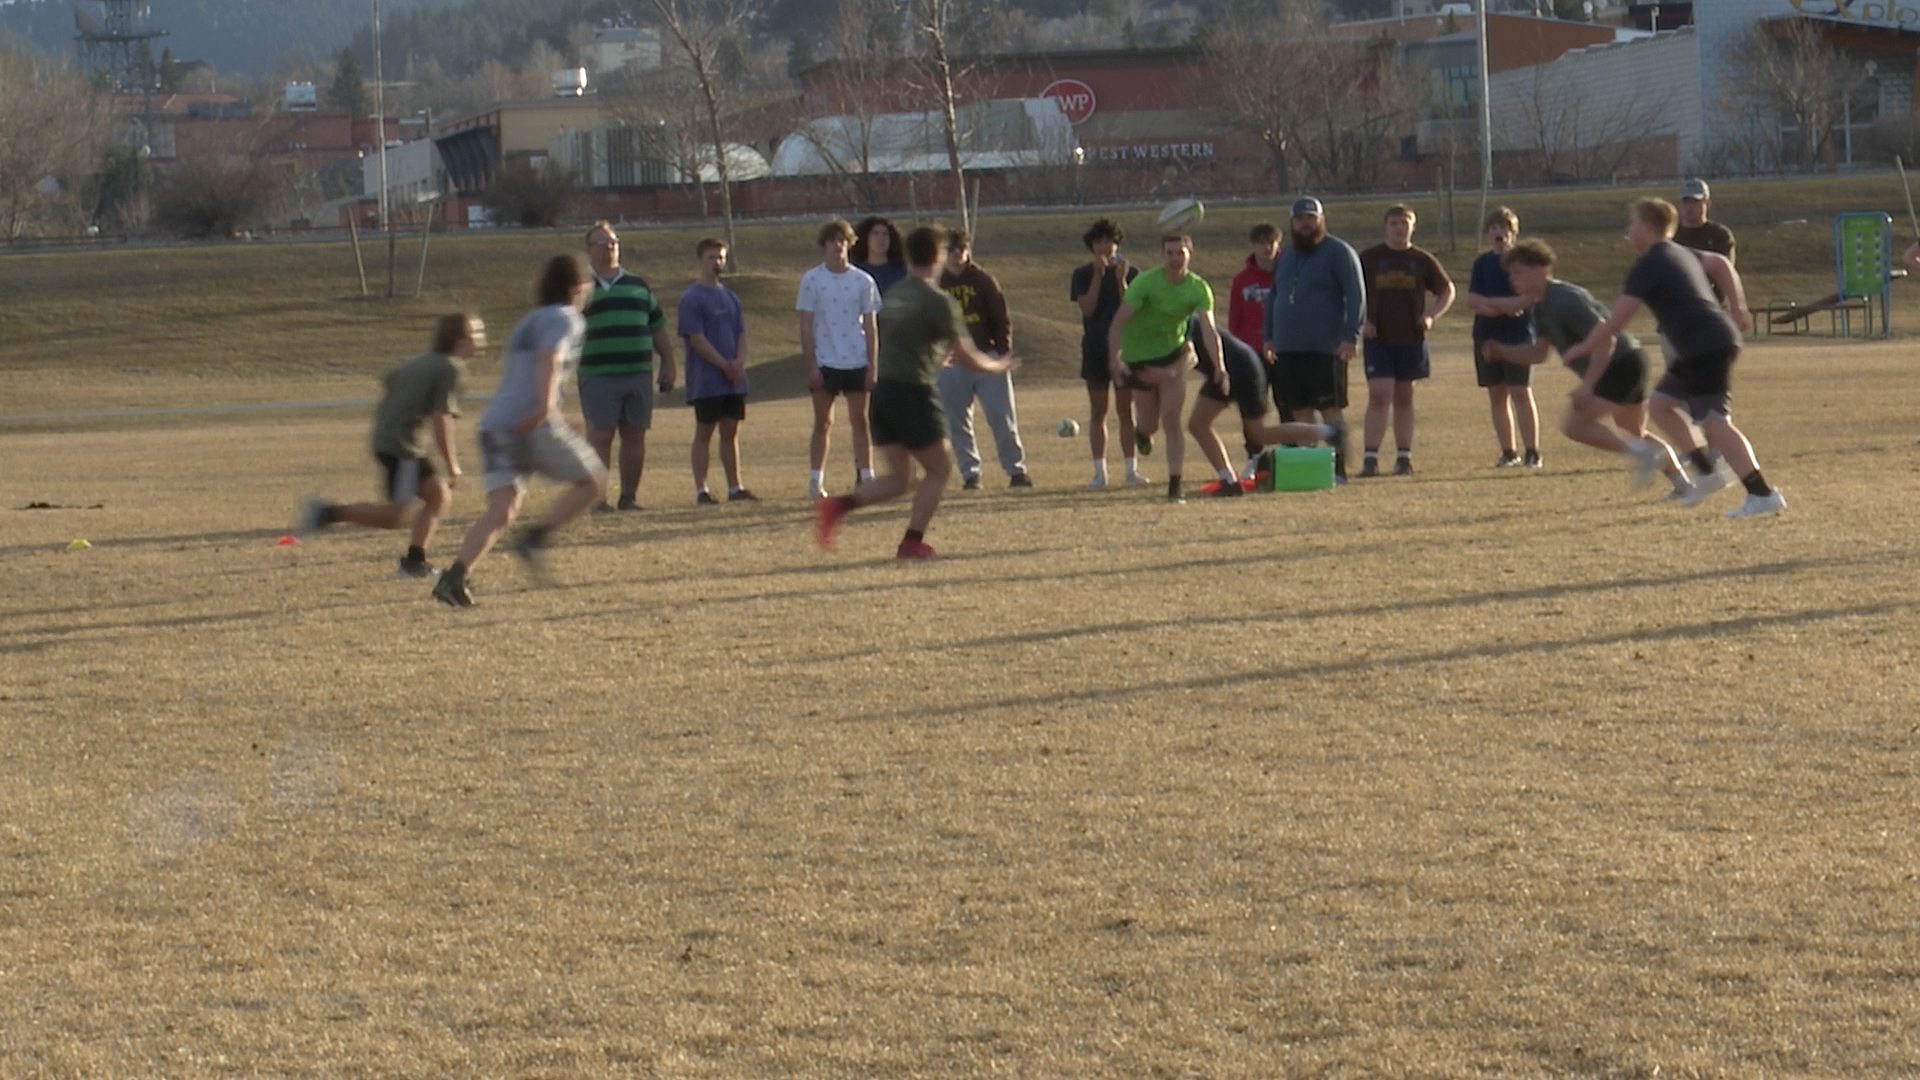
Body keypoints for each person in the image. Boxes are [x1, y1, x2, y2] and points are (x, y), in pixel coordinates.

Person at [1565, 198, 1782, 518]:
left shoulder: (1650, 263)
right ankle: (1707, 470)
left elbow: (1615, 323)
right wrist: (1738, 307)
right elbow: (1721, 263)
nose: (1628, 231)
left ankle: (1761, 493)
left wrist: (1581, 348)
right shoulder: (1677, 251)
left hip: (1705, 344)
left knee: (1714, 422)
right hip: (1702, 343)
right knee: (1661, 405)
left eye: (1632, 224)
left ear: (1648, 227)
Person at [814, 224, 1018, 558]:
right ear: (937, 256)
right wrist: (998, 365)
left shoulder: (895, 294)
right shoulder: (937, 300)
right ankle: (912, 541)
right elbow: (967, 355)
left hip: (884, 392)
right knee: (939, 469)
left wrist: (934, 356)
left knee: (901, 479)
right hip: (912, 393)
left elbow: (902, 341)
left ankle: (838, 505)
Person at [432, 256, 608, 607]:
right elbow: (550, 356)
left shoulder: (529, 320)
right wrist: (545, 409)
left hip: (497, 423)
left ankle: (454, 578)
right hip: (532, 422)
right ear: (576, 288)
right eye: (586, 285)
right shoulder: (567, 318)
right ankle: (534, 538)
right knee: (595, 480)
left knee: (501, 509)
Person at [1483, 239, 1694, 499]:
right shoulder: (1540, 306)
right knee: (1634, 433)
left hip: (1621, 363)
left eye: (1518, 272)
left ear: (1539, 270)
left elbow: (1606, 339)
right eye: (1510, 273)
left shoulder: (1565, 299)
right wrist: (1502, 351)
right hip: (1629, 360)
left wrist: (1588, 385)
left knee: (1575, 425)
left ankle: (1644, 455)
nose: (1512, 279)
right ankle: (1683, 486)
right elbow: (1538, 353)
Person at [294, 312, 483, 576]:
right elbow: (441, 418)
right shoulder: (451, 368)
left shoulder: (421, 361)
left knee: (437, 495)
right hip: (402, 445)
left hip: (393, 439)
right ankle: (327, 513)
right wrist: (453, 465)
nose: (481, 340)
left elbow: (391, 382)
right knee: (397, 515)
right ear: (459, 340)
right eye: (476, 334)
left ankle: (413, 562)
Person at [1108, 232, 1225, 503]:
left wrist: (1220, 367)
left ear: (1190, 255)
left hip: (1172, 354)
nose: (1175, 258)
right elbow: (1118, 323)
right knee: (1150, 424)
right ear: (1162, 256)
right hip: (1140, 358)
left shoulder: (1198, 287)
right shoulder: (1146, 283)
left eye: (1180, 253)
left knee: (1172, 419)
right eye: (1170, 253)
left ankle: (1175, 485)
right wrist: (1115, 359)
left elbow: (1209, 330)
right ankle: (1142, 432)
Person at [1186, 316, 1345, 497]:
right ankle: (1229, 480)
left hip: (1243, 369)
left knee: (1259, 433)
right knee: (1198, 424)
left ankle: (1330, 432)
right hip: (1226, 370)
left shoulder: (1180, 318)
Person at [1263, 196, 1362, 481]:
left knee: (1330, 408)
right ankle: (1314, 470)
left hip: (1325, 347)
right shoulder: (1286, 255)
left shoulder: (1338, 251)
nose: (1305, 224)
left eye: (1311, 218)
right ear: (1292, 222)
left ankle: (1338, 468)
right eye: (1300, 219)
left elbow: (1355, 294)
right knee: (1300, 410)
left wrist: (1350, 334)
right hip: (1288, 346)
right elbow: (1275, 295)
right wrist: (1269, 335)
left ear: (1320, 220)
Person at [580, 220, 676, 511]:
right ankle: (598, 499)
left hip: (637, 373)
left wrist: (668, 363)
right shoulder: (580, 288)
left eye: (613, 242)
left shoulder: (637, 286)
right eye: (602, 243)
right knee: (600, 436)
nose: (609, 247)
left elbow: (657, 327)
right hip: (597, 375)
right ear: (589, 249)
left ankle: (628, 496)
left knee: (634, 435)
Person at [1356, 204, 1453, 477]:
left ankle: (1403, 457)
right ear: (1385, 227)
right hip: (1379, 337)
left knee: (1404, 395)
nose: (1400, 228)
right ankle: (1370, 457)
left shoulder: (1422, 260)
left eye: (1405, 223)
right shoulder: (1370, 258)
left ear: (1413, 226)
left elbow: (1447, 289)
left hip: (1410, 337)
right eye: (1394, 223)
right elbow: (1350, 290)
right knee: (1380, 393)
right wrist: (1361, 321)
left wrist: (1431, 316)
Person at [797, 218, 883, 500]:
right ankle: (815, 480)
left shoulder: (863, 281)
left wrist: (872, 365)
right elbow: (805, 326)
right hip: (825, 360)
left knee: (859, 421)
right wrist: (811, 365)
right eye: (833, 241)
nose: (838, 246)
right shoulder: (812, 280)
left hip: (856, 359)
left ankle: (867, 477)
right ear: (824, 245)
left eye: (843, 241)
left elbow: (871, 327)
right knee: (823, 422)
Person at [938, 229, 1031, 489]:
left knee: (1001, 415)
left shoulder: (983, 280)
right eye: (951, 247)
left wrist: (1002, 354)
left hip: (986, 356)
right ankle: (970, 473)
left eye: (961, 247)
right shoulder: (937, 283)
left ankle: (1016, 470)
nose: (957, 252)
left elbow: (1001, 319)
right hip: (951, 360)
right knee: (956, 420)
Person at [678, 237, 755, 505]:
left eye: (720, 257)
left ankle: (735, 487)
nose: (716, 262)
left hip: (733, 380)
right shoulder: (691, 298)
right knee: (704, 431)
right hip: (707, 380)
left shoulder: (731, 297)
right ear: (700, 260)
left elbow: (741, 334)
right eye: (711, 257)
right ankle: (702, 490)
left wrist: (738, 362)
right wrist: (724, 365)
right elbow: (696, 339)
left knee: (730, 431)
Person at [1069, 217, 1146, 488]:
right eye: (1099, 242)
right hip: (1095, 348)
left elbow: (1132, 311)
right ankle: (1099, 472)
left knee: (1126, 410)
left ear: (1117, 245)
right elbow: (1087, 308)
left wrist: (1121, 280)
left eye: (1109, 242)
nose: (1104, 248)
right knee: (1098, 410)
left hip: (1125, 349)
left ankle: (1130, 469)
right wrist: (1099, 278)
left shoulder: (1132, 272)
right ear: (1092, 246)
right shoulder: (1082, 274)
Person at [1464, 207, 1541, 468]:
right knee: (1497, 394)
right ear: (1487, 234)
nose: (1499, 233)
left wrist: (1504, 305)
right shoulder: (1482, 264)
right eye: (1494, 228)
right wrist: (1503, 306)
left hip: (1518, 335)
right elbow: (1473, 300)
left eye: (1504, 228)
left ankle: (1532, 451)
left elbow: (1532, 295)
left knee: (1520, 391)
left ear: (1513, 233)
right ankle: (1509, 452)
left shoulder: (1525, 262)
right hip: (1487, 335)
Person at [1228, 221, 1283, 472]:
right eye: (1261, 243)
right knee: (1252, 409)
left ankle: (1290, 454)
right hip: (1252, 354)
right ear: (1253, 246)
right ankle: (1254, 457)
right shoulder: (1242, 280)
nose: (1266, 248)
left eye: (1270, 242)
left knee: (1288, 404)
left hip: (1285, 351)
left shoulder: (1287, 274)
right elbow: (1235, 321)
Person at [1673, 178, 1735, 262]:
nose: (1689, 206)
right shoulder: (1670, 234)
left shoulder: (1719, 235)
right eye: (1685, 201)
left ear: (1707, 204)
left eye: (1695, 201)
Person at [850, 215, 909, 297]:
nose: (881, 238)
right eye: (875, 233)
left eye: (885, 234)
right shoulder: (856, 272)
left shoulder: (902, 271)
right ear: (865, 238)